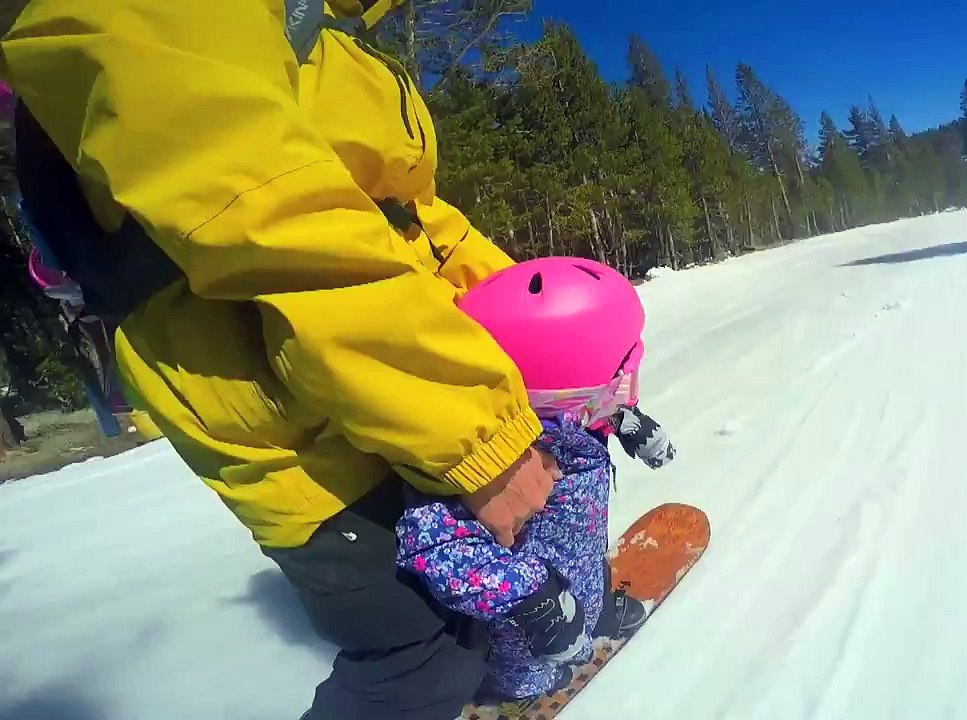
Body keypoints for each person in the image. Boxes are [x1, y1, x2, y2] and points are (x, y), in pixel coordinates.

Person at [1, 2, 562, 718]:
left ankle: (492, 676)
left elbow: (410, 218)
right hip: (272, 395)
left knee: (475, 595)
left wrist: (535, 336)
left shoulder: (317, 24)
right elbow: (274, 220)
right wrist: (477, 434)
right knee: (418, 652)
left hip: (371, 375)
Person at [396, 257, 677, 703]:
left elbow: (592, 410)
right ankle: (516, 688)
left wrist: (625, 421)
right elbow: (433, 547)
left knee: (586, 568)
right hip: (527, 632)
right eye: (620, 373)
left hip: (580, 571)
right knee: (533, 671)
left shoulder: (569, 421)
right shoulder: (485, 465)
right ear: (562, 390)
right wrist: (532, 597)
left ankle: (595, 609)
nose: (628, 382)